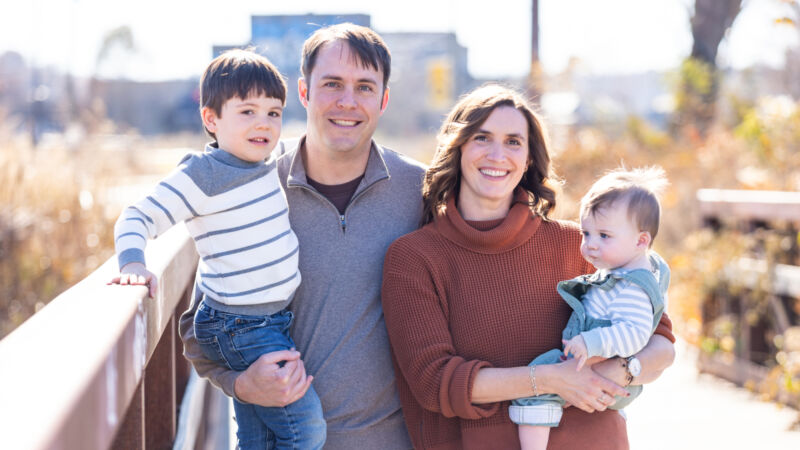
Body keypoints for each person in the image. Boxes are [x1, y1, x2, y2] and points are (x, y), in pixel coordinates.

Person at [380, 84, 676, 450]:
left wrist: (619, 371)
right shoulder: (415, 258)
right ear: (458, 147)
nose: (497, 154)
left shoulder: (583, 246)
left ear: (529, 159)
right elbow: (433, 381)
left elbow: (661, 345)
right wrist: (550, 379)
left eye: (513, 142)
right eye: (482, 137)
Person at [177, 24, 425, 449]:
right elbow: (198, 326)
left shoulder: (419, 190)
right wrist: (241, 384)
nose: (347, 101)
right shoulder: (249, 185)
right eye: (332, 84)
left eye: (365, 87)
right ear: (304, 92)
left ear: (383, 100)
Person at [110, 49, 325, 449]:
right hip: (239, 324)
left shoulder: (270, 161)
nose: (264, 123)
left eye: (274, 112)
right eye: (247, 112)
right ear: (211, 119)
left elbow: (315, 146)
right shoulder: (203, 175)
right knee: (306, 428)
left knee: (259, 437)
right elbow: (136, 216)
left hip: (271, 320)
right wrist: (133, 264)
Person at [511, 167, 671, 450]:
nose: (590, 245)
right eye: (586, 233)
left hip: (603, 367)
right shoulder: (616, 272)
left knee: (538, 388)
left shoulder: (633, 288)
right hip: (593, 365)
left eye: (604, 236)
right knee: (543, 377)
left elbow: (635, 333)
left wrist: (591, 341)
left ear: (641, 241)